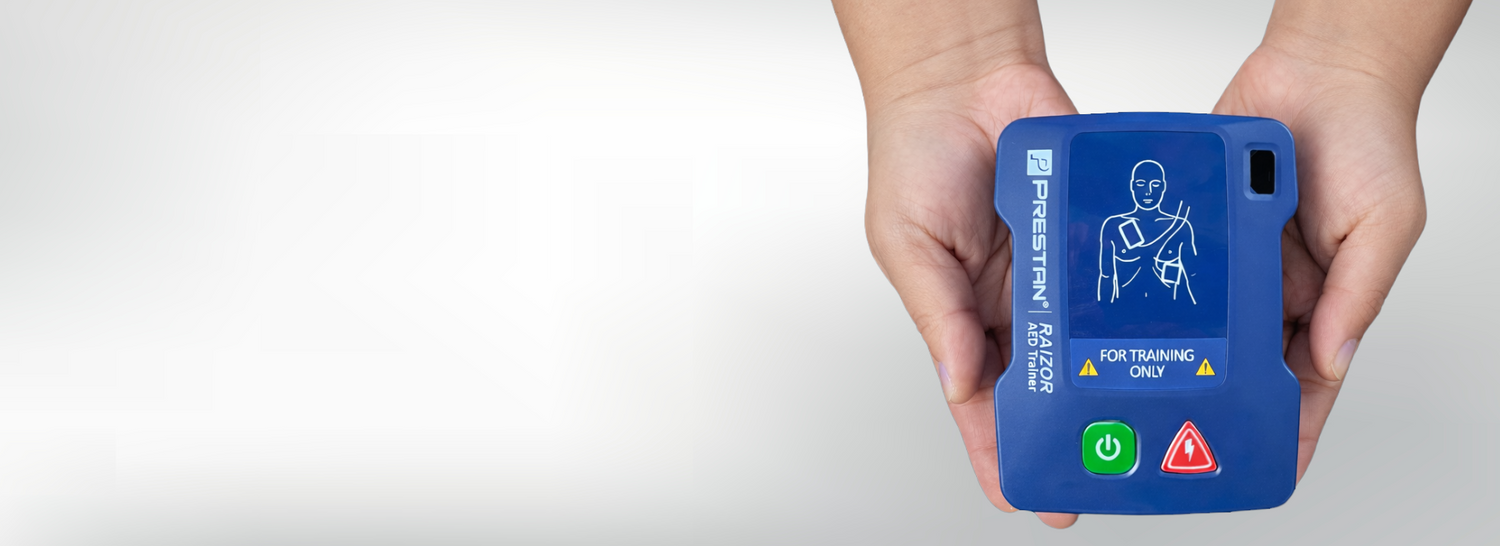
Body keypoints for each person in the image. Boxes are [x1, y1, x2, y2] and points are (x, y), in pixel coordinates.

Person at [832, 0, 1471, 529]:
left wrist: (1356, 60)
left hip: (1178, 330)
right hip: (1113, 328)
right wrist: (935, 66)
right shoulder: (1113, 228)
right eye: (1139, 187)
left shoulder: (1179, 224)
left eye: (1154, 187)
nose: (1147, 194)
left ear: (1162, 191)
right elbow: (1107, 285)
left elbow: (1192, 279)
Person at [1099, 160, 1198, 304]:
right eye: (1141, 183)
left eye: (1155, 184)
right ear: (1132, 186)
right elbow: (1106, 275)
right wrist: (1103, 316)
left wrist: (1196, 318)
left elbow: (1192, 276)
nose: (1148, 191)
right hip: (1123, 315)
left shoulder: (1180, 227)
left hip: (1170, 315)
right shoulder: (1114, 225)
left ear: (1163, 187)